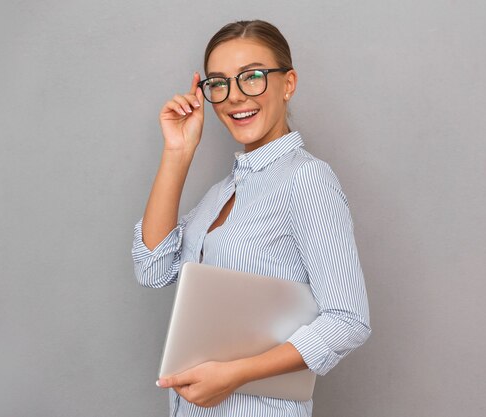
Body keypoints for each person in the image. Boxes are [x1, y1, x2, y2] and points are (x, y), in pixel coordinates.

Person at [131, 19, 371, 417]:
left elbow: (349, 320)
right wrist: (177, 153)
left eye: (252, 77)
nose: (235, 96)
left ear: (288, 83)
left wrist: (235, 374)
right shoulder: (221, 194)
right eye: (219, 83)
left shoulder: (305, 179)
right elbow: (152, 268)